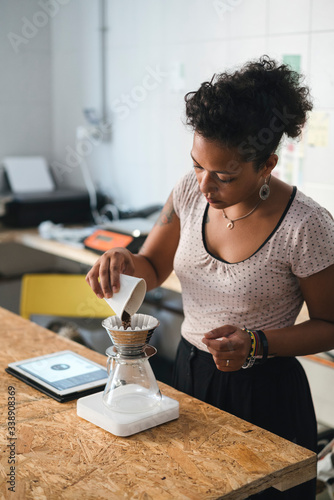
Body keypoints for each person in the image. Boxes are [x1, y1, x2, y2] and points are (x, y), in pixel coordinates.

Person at [86, 56, 334, 499]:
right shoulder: (187, 191)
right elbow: (153, 268)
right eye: (198, 165)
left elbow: (331, 326)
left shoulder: (306, 226)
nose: (204, 185)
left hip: (266, 392)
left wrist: (257, 342)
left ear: (267, 164)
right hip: (190, 372)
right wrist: (123, 260)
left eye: (223, 175)